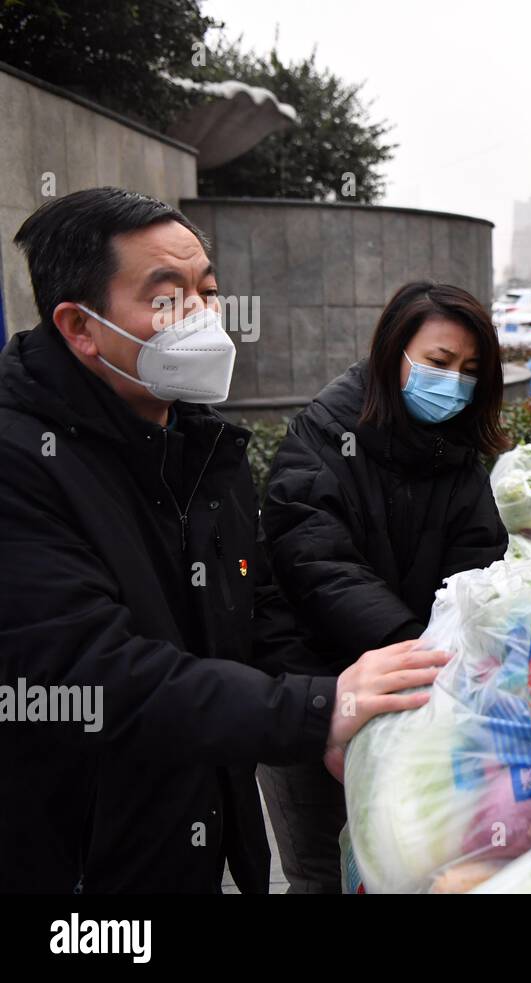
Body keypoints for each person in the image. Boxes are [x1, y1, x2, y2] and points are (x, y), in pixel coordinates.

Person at [0, 189, 444, 893]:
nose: (205, 317)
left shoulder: (203, 448)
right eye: (168, 297)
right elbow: (89, 671)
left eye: (208, 291)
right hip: (75, 869)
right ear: (79, 327)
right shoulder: (22, 462)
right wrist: (319, 708)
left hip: (193, 847)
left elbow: (252, 612)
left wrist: (353, 716)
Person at [257, 281, 510, 892]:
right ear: (391, 353)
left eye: (470, 370)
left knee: (408, 862)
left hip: (418, 697)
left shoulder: (460, 460)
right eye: (438, 363)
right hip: (311, 689)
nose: (453, 382)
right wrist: (411, 650)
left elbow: (477, 568)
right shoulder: (323, 434)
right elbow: (316, 564)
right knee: (320, 870)